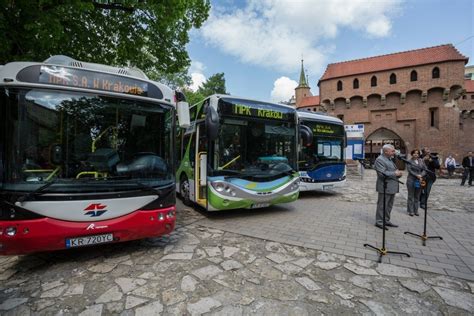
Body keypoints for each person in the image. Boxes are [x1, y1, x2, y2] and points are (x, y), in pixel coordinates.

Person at [374, 144, 403, 230]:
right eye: (393, 151)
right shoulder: (380, 160)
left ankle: (386, 220)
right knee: (382, 205)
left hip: (392, 186)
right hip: (384, 186)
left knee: (389, 206)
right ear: (386, 151)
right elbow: (382, 174)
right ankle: (379, 222)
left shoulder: (389, 159)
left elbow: (391, 171)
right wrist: (395, 173)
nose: (394, 152)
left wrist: (398, 174)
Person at [406, 149, 426, 216]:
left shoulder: (421, 161)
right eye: (414, 153)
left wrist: (421, 175)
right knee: (411, 196)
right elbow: (409, 170)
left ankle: (416, 210)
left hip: (419, 180)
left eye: (417, 153)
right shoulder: (409, 161)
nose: (416, 154)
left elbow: (425, 169)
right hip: (411, 180)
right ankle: (410, 211)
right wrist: (416, 175)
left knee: (417, 196)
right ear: (412, 154)